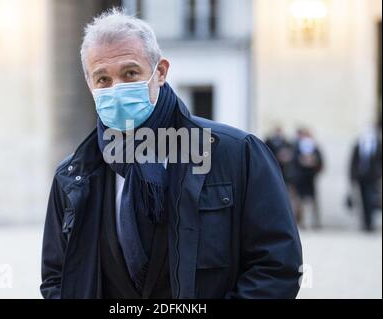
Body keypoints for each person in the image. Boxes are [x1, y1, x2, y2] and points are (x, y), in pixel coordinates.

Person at [40, 8, 302, 299]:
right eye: (103, 79)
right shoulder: (73, 176)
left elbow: (277, 267)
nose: (117, 89)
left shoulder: (238, 155)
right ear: (89, 84)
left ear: (160, 72)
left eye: (130, 73)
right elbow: (56, 278)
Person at [350, 126, 382, 232]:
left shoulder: (377, 145)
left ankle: (370, 222)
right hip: (361, 177)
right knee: (363, 200)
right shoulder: (359, 145)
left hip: (373, 178)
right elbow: (353, 162)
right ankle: (365, 222)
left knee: (371, 200)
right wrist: (353, 176)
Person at [293, 128, 323, 229]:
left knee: (313, 201)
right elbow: (294, 162)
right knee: (299, 201)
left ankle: (315, 222)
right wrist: (302, 161)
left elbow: (320, 162)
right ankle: (301, 221)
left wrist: (313, 162)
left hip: (311, 178)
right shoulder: (297, 147)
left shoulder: (314, 147)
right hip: (300, 178)